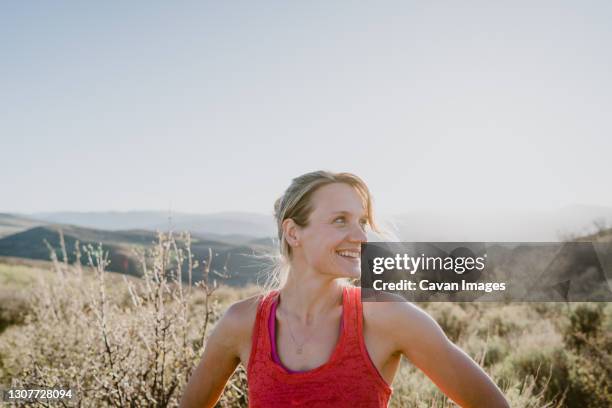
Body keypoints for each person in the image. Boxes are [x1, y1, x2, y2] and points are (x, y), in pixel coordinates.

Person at [179, 171, 509, 408]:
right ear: (294, 233)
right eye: (340, 220)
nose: (361, 236)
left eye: (361, 222)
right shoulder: (242, 323)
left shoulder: (387, 317)